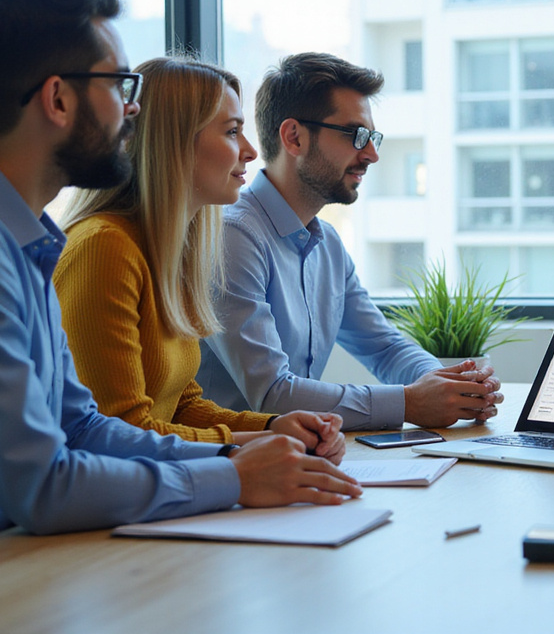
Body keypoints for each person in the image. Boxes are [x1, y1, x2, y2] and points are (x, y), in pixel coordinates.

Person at [0, 0, 359, 581]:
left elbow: (82, 426)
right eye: (119, 85)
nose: (133, 107)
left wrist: (241, 450)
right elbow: (42, 484)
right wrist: (233, 475)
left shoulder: (16, 235)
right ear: (58, 99)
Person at [53, 56, 343, 462]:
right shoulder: (104, 248)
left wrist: (274, 427)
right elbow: (121, 432)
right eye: (232, 131)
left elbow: (182, 405)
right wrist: (250, 445)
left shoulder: (171, 251)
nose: (250, 151)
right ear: (174, 142)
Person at [194, 52, 503, 430]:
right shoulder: (232, 236)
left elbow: (384, 347)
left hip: (301, 451)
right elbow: (273, 394)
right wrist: (410, 403)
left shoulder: (327, 244)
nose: (372, 154)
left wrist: (452, 384)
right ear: (294, 137)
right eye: (357, 135)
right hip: (228, 456)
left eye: (373, 137)